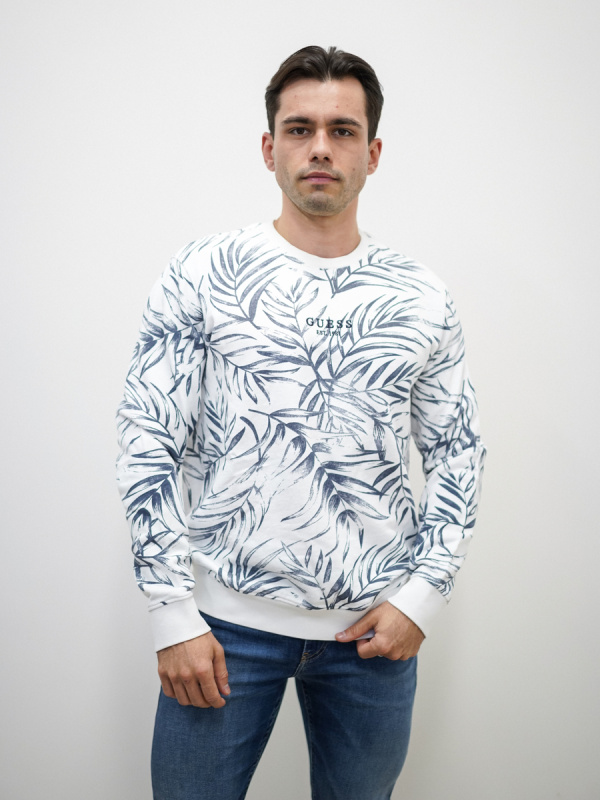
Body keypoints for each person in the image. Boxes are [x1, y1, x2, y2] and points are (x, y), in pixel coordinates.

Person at [116, 45, 486, 800]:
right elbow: (147, 437)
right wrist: (171, 612)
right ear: (270, 148)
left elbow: (458, 451)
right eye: (300, 128)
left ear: (372, 154)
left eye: (343, 130)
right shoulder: (203, 272)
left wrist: (423, 596)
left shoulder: (421, 297)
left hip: (373, 635)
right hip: (219, 630)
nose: (320, 147)